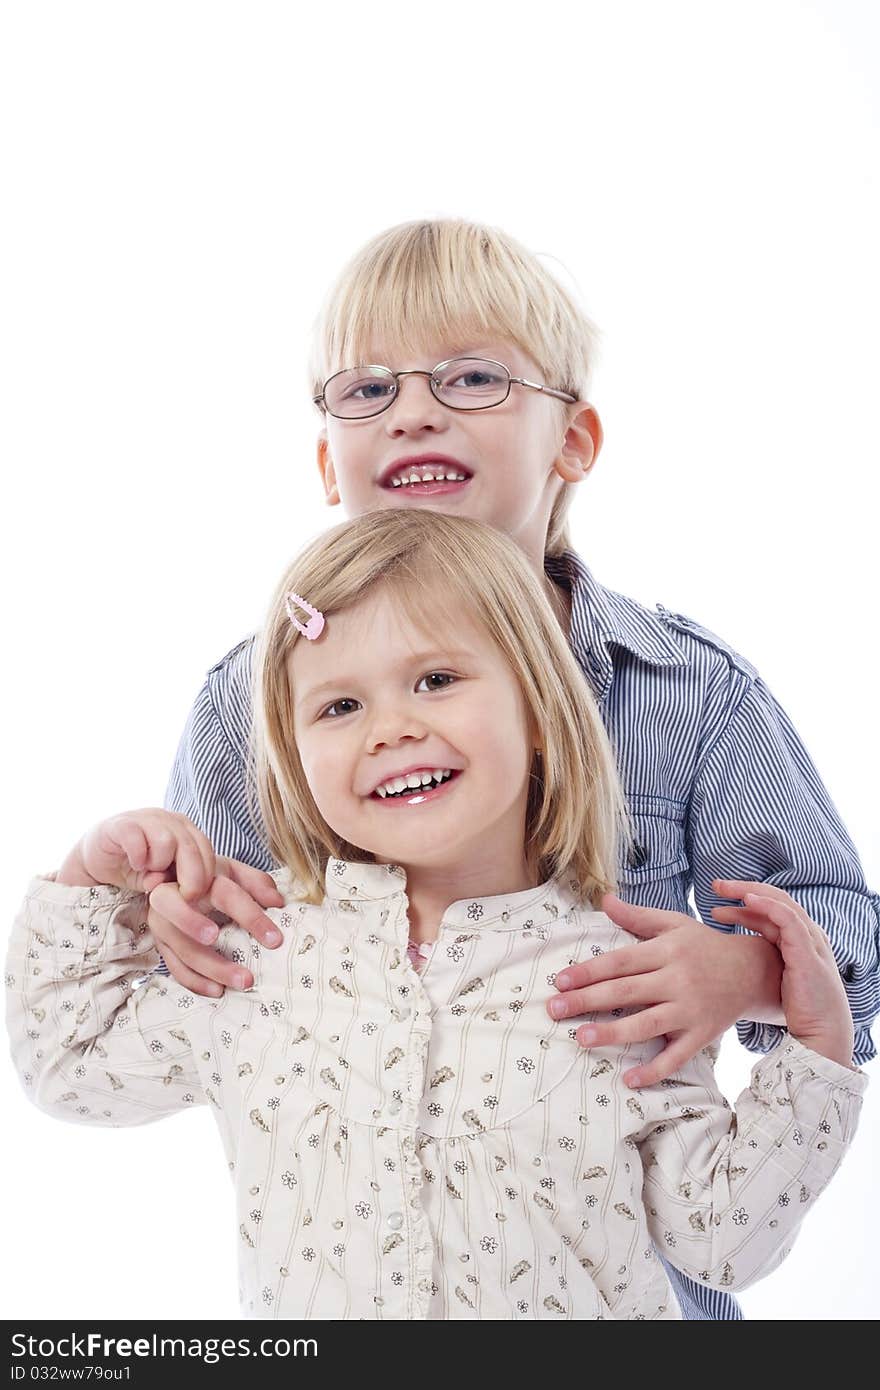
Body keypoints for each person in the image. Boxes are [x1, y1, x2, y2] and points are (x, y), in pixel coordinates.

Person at [150, 219, 879, 1321]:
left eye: (473, 376)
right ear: (325, 461)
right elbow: (200, 983)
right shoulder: (244, 704)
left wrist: (750, 972)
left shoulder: (688, 691)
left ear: (573, 441)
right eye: (366, 390)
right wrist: (163, 922)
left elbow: (847, 926)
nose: (412, 408)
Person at [5, 510, 868, 1321]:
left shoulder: (622, 977)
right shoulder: (260, 955)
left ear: (539, 709)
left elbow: (724, 1238)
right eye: (340, 707)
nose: (389, 729)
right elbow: (69, 1064)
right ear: (293, 755)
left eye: (436, 679)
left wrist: (817, 1053)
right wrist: (93, 877)